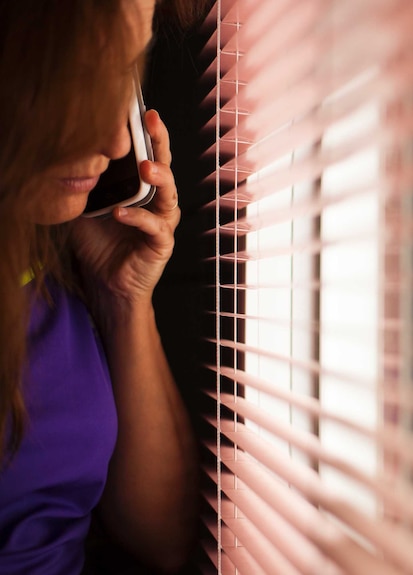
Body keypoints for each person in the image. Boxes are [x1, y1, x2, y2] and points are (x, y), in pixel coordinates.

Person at [0, 0, 204, 572]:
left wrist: (124, 301)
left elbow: (161, 541)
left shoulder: (46, 264)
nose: (119, 142)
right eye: (82, 79)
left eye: (126, 72)